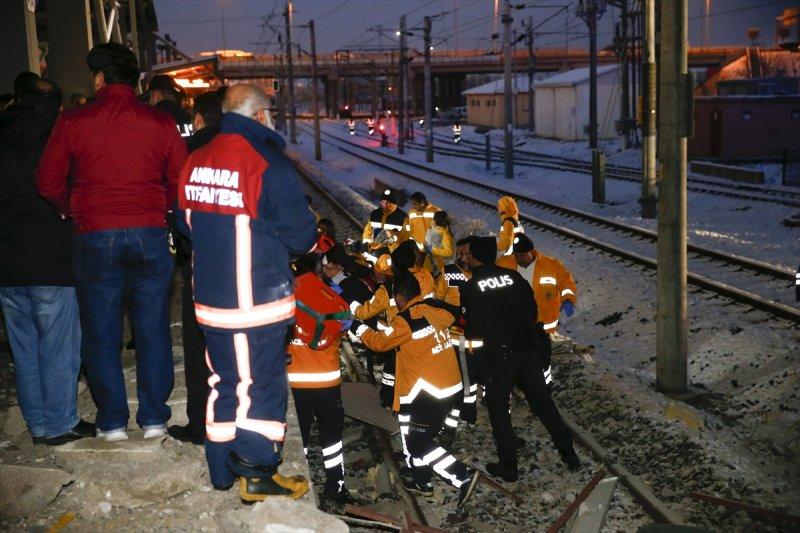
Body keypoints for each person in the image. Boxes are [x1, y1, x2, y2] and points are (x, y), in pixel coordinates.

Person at [36, 42, 187, 442]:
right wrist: (161, 209)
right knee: (152, 329)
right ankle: (154, 419)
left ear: (100, 77)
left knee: (101, 332)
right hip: (149, 233)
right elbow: (180, 177)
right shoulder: (160, 122)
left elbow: (47, 179)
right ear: (134, 80)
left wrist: (70, 207)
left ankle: (113, 421)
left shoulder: (74, 120)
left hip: (95, 234)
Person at [176, 83, 316, 501]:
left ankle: (221, 469)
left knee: (225, 382)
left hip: (210, 300)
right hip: (255, 302)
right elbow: (303, 238)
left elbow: (185, 224)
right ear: (259, 115)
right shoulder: (266, 162)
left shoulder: (195, 159)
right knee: (260, 385)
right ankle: (257, 472)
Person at [0, 78, 95, 446]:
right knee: (58, 345)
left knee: (24, 349)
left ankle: (38, 424)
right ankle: (59, 422)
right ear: (57, 106)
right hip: (51, 257)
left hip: (7, 260)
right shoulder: (60, 136)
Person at [351, 274, 479, 507]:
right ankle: (421, 480)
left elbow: (379, 343)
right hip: (448, 384)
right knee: (412, 432)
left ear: (400, 297)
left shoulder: (405, 320)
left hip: (429, 390)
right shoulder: (435, 308)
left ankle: (462, 476)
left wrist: (356, 327)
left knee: (418, 443)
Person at [460, 237, 580, 482]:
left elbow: (473, 330)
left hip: (501, 357)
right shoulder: (513, 276)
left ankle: (509, 466)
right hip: (528, 350)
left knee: (498, 409)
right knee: (544, 404)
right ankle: (570, 455)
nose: (466, 259)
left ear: (474, 258)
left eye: (468, 255)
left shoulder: (471, 288)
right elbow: (532, 310)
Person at [167, 90, 224, 445]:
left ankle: (201, 423)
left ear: (199, 119)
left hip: (200, 263)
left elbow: (180, 213)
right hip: (245, 266)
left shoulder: (187, 153)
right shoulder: (247, 151)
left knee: (197, 343)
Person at [287, 255, 351, 510]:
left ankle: (297, 486)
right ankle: (336, 487)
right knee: (332, 437)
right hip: (327, 381)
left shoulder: (283, 292)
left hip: (295, 381)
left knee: (298, 437)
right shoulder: (332, 294)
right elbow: (345, 322)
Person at [434, 235, 480, 436]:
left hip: (479, 340)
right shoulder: (448, 273)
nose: (462, 258)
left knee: (474, 381)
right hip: (454, 338)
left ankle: (468, 414)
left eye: (466, 253)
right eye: (459, 253)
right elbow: (436, 302)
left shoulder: (484, 273)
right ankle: (459, 419)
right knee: (458, 382)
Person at [512, 234, 577, 335]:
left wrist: (568, 299)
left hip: (546, 328)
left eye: (522, 256)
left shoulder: (552, 265)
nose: (519, 259)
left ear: (531, 252)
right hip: (517, 325)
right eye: (516, 256)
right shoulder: (506, 264)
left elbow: (566, 284)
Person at [361, 189, 411, 257]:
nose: (385, 205)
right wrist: (366, 242)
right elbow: (368, 230)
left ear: (394, 204)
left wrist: (393, 239)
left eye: (389, 203)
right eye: (383, 202)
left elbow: (406, 235)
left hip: (392, 253)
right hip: (373, 251)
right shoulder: (375, 214)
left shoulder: (403, 217)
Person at [495, 196, 523, 269]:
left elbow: (506, 242)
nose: (498, 208)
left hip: (507, 257)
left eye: (499, 206)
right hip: (515, 254)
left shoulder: (508, 222)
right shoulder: (514, 219)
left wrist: (496, 249)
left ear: (504, 208)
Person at [424, 210, 453, 276]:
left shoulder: (445, 234)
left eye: (433, 219)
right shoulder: (431, 231)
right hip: (431, 268)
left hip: (440, 269)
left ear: (435, 221)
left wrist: (432, 249)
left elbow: (449, 252)